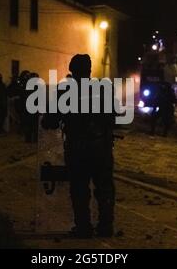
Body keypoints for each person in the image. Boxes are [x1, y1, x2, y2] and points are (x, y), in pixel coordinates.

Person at [42, 54, 116, 238]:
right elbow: (113, 117)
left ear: (72, 70)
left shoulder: (64, 90)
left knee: (79, 189)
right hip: (101, 148)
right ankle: (105, 227)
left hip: (78, 149)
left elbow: (50, 121)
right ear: (89, 70)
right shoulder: (103, 89)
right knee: (105, 188)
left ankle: (83, 227)